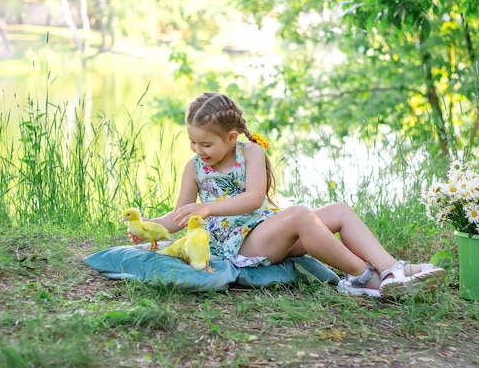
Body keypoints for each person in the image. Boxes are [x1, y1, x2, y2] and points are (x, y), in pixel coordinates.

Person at [132, 92, 445, 298]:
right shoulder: (194, 168)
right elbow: (179, 216)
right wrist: (148, 225)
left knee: (339, 210)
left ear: (230, 138)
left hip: (265, 228)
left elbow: (255, 198)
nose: (199, 151)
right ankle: (362, 278)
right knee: (297, 215)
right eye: (193, 142)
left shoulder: (251, 153)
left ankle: (391, 269)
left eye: (206, 144)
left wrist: (210, 207)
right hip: (237, 243)